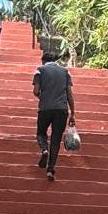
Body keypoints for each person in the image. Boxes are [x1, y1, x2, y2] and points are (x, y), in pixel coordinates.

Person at [33, 49, 75, 182]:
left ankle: (44, 149)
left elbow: (35, 91)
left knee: (41, 133)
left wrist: (42, 97)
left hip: (45, 108)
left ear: (43, 61)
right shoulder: (65, 72)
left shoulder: (40, 70)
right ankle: (51, 170)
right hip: (62, 110)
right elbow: (69, 94)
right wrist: (72, 114)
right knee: (56, 140)